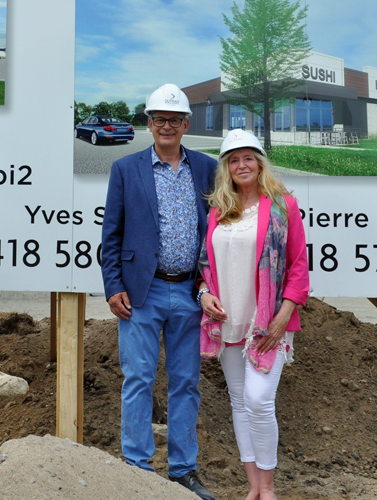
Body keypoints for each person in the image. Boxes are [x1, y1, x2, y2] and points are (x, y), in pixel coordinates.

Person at [101, 84, 217, 500]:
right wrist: (113, 285)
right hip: (141, 294)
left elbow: (221, 225)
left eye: (174, 120)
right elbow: (111, 233)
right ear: (148, 124)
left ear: (186, 125)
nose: (166, 126)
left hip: (191, 292)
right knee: (138, 379)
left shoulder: (207, 168)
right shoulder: (126, 169)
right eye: (158, 119)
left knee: (186, 383)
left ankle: (183, 470)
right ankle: (137, 468)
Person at [197, 129, 309, 500]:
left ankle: (269, 486)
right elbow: (204, 266)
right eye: (233, 159)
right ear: (226, 168)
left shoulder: (282, 205)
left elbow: (298, 267)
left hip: (267, 324)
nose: (241, 165)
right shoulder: (219, 209)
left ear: (260, 163)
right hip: (228, 321)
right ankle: (254, 487)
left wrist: (283, 315)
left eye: (248, 158)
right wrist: (204, 293)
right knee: (239, 401)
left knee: (260, 400)